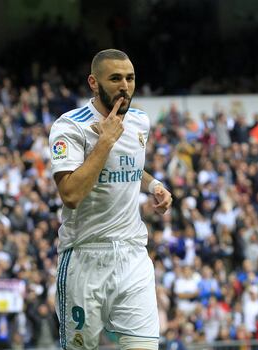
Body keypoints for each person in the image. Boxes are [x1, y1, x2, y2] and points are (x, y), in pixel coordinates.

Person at [49, 49, 172, 350]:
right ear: (93, 82)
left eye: (130, 78)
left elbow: (128, 164)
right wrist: (105, 141)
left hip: (133, 255)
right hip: (84, 257)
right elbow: (71, 194)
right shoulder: (69, 127)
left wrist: (153, 183)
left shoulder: (140, 121)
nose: (125, 86)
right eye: (115, 78)